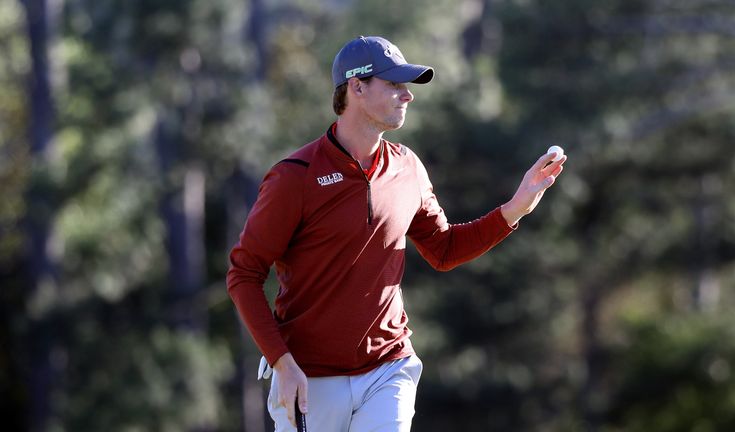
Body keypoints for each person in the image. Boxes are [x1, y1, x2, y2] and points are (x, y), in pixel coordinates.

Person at [227, 35, 566, 432]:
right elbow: (244, 275)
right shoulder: (294, 177)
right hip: (308, 377)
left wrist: (514, 209)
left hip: (389, 369)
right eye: (394, 85)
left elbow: (443, 249)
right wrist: (282, 363)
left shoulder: (408, 168)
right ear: (356, 87)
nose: (407, 96)